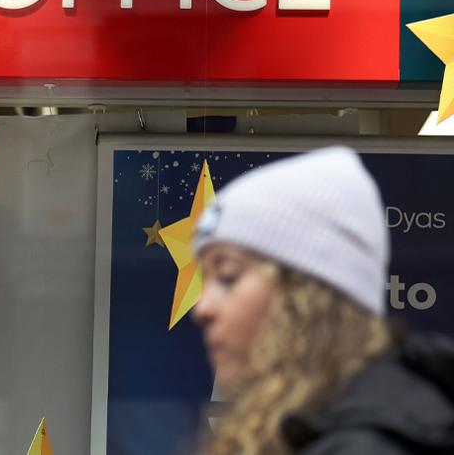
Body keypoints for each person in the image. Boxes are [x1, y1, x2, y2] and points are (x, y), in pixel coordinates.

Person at [190, 146, 454, 454]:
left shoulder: (368, 446)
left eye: (228, 275)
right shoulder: (313, 429)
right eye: (204, 280)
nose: (202, 309)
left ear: (303, 296)